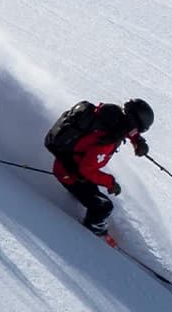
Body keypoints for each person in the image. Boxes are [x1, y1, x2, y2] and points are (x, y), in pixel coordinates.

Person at [43, 98, 154, 246]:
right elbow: (87, 170)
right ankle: (93, 233)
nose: (136, 132)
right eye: (139, 129)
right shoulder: (107, 140)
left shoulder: (112, 116)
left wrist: (137, 141)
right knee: (103, 206)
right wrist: (110, 182)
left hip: (68, 163)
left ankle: (79, 203)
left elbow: (128, 127)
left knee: (92, 194)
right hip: (70, 173)